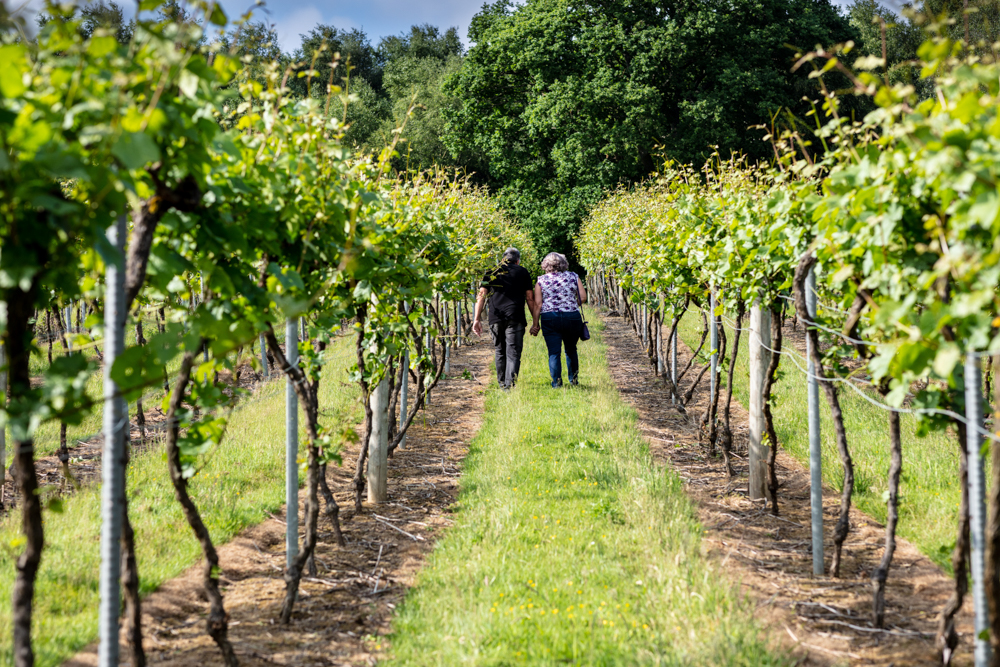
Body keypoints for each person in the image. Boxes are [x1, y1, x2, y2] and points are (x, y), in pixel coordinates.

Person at [472, 247, 536, 389]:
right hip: (515, 316)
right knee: (513, 352)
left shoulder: (491, 271)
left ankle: (502, 384)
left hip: (495, 316)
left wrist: (476, 319)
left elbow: (481, 295)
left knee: (500, 350)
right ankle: (510, 385)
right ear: (517, 261)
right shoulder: (523, 272)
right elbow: (530, 298)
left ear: (503, 259)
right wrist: (535, 321)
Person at [530, 252, 587, 387]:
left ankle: (556, 382)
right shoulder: (574, 277)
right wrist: (571, 305)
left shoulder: (541, 280)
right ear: (563, 263)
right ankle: (573, 380)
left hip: (550, 318)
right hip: (572, 316)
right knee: (571, 349)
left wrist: (535, 324)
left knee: (554, 352)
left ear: (546, 265)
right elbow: (583, 297)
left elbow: (538, 304)